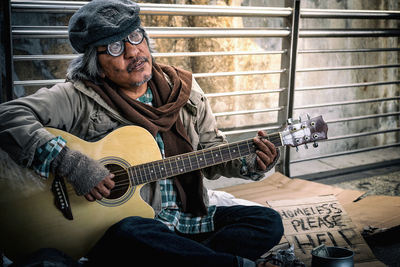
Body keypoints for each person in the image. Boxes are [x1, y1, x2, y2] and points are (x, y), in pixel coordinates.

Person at [0, 0, 284, 266]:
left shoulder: (184, 90)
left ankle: (180, 258)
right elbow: (8, 116)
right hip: (133, 226)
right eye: (113, 47)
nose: (132, 52)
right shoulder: (78, 96)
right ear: (94, 63)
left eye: (136, 36)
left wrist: (254, 163)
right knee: (132, 232)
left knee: (267, 222)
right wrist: (70, 163)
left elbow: (214, 151)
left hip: (187, 219)